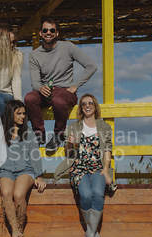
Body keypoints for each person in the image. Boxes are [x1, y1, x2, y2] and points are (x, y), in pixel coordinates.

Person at [24, 17, 97, 152]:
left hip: (65, 92)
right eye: (45, 30)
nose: (48, 32)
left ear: (57, 33)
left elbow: (91, 66)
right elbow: (34, 82)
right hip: (46, 91)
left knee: (58, 100)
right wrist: (40, 88)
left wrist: (76, 86)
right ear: (40, 33)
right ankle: (39, 133)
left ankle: (58, 134)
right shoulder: (34, 55)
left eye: (52, 30)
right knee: (29, 97)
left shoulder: (68, 47)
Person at [54, 94, 113, 237]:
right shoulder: (73, 127)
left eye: (90, 103)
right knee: (86, 195)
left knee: (98, 194)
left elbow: (107, 149)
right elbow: (68, 155)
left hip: (98, 167)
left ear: (95, 106)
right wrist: (69, 145)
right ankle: (92, 230)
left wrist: (106, 171)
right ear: (81, 108)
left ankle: (90, 232)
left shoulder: (104, 127)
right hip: (79, 166)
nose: (87, 105)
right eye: (84, 104)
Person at [0, 100, 46, 237]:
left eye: (23, 113)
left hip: (25, 170)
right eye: (18, 113)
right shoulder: (0, 131)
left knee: (19, 194)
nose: (22, 116)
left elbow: (34, 155)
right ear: (10, 114)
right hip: (5, 170)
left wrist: (39, 177)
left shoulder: (28, 132)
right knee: (6, 193)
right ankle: (16, 231)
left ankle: (19, 227)